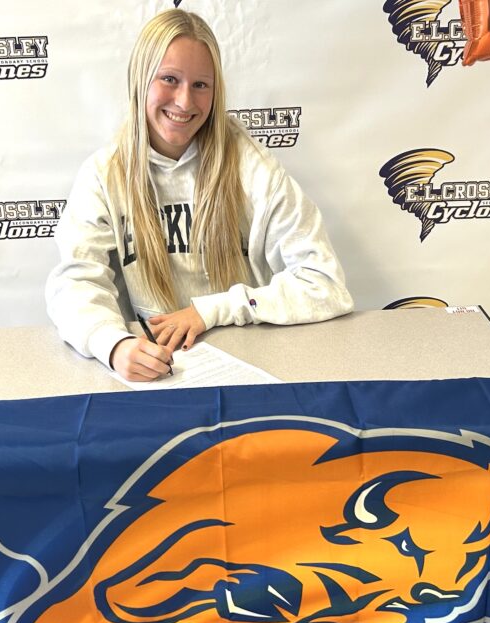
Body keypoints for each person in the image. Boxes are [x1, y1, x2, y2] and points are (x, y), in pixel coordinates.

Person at [45, 9, 353, 381]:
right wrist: (112, 345)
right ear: (140, 80)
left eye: (201, 85)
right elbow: (75, 283)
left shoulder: (251, 167)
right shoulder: (105, 174)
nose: (184, 101)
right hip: (154, 371)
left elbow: (325, 284)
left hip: (246, 367)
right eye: (169, 79)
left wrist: (212, 310)